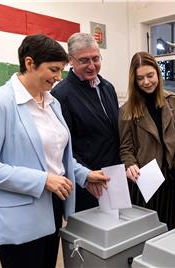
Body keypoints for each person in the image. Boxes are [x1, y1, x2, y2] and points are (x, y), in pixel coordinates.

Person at [0, 34, 109, 268]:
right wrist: (43, 180)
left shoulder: (52, 102)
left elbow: (56, 155)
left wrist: (84, 174)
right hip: (19, 219)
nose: (59, 77)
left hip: (53, 209)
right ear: (30, 63)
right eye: (53, 69)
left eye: (62, 69)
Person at [52, 33, 121, 212]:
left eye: (96, 58)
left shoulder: (107, 87)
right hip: (88, 181)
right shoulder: (61, 95)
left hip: (114, 176)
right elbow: (64, 147)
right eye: (84, 60)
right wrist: (85, 175)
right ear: (71, 61)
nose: (92, 66)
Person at [119, 52, 175, 230]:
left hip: (168, 176)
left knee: (167, 226)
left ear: (158, 73)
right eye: (140, 78)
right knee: (145, 231)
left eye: (150, 75)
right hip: (144, 178)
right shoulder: (128, 110)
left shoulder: (172, 101)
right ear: (134, 80)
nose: (146, 82)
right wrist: (129, 164)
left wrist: (172, 146)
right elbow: (125, 147)